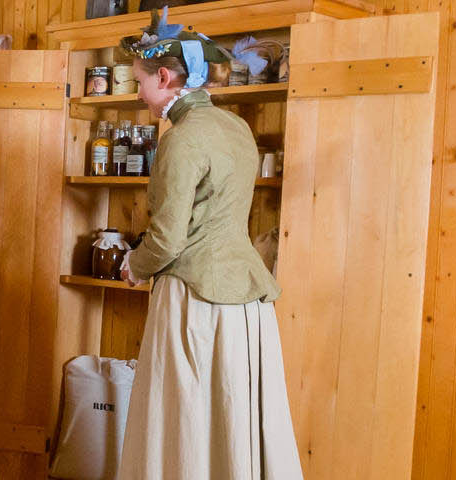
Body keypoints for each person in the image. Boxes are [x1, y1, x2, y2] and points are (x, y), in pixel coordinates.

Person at [114, 8, 300, 479]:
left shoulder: (182, 138)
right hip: (245, 299)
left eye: (140, 82)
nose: (138, 93)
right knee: (231, 408)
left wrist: (136, 264)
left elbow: (168, 236)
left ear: (164, 77)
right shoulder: (235, 127)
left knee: (186, 414)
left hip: (194, 299)